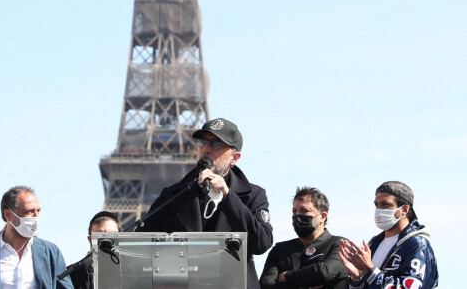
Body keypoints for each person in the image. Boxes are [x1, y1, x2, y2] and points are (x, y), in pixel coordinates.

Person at [141, 117, 273, 289]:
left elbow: (262, 242)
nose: (207, 149)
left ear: (235, 157)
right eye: (203, 142)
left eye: (217, 144)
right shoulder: (172, 196)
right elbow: (142, 243)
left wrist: (228, 196)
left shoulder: (253, 196)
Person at [338, 181, 438, 289]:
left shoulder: (417, 244)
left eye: (385, 204)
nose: (379, 210)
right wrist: (357, 279)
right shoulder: (374, 244)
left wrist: (370, 270)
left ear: (405, 209)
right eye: (376, 205)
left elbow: (412, 286)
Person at [0, 185, 73, 289]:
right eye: (29, 212)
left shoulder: (51, 252)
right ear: (8, 215)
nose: (36, 217)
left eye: (38, 211)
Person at [260, 186, 348, 289]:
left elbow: (323, 272)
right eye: (294, 211)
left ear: (323, 217)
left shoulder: (340, 245)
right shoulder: (280, 250)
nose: (297, 215)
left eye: (304, 211)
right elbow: (266, 284)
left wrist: (287, 276)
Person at [69, 211, 121, 289]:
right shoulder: (73, 274)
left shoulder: (132, 271)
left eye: (111, 234)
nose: (105, 239)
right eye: (99, 235)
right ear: (90, 239)